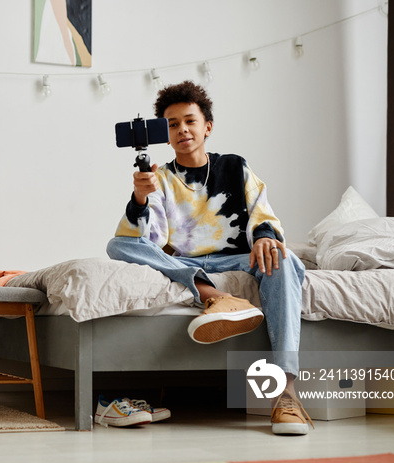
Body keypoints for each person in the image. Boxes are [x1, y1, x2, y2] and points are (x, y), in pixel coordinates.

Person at [105, 80, 311, 435]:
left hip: (236, 259)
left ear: (207, 127)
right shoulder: (160, 179)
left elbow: (263, 213)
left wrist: (263, 237)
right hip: (188, 265)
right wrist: (140, 198)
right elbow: (145, 240)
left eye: (190, 121)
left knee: (285, 257)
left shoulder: (235, 166)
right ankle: (217, 297)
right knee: (117, 245)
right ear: (164, 134)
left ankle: (286, 393)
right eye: (172, 124)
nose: (182, 129)